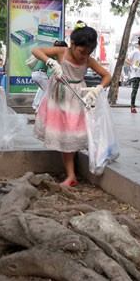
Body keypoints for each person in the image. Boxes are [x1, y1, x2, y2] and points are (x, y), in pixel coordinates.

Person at [31, 22, 111, 187]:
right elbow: (36, 50)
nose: (84, 56)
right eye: (82, 51)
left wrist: (98, 89)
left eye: (89, 52)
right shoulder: (62, 52)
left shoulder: (88, 60)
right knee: (63, 135)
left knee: (80, 132)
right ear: (73, 44)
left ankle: (95, 161)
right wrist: (50, 62)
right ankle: (71, 175)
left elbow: (107, 76)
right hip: (58, 98)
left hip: (77, 99)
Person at [31, 40, 68, 112]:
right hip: (40, 74)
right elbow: (59, 64)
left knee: (43, 90)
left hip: (36, 74)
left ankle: (36, 105)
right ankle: (40, 110)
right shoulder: (54, 53)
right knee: (50, 93)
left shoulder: (48, 52)